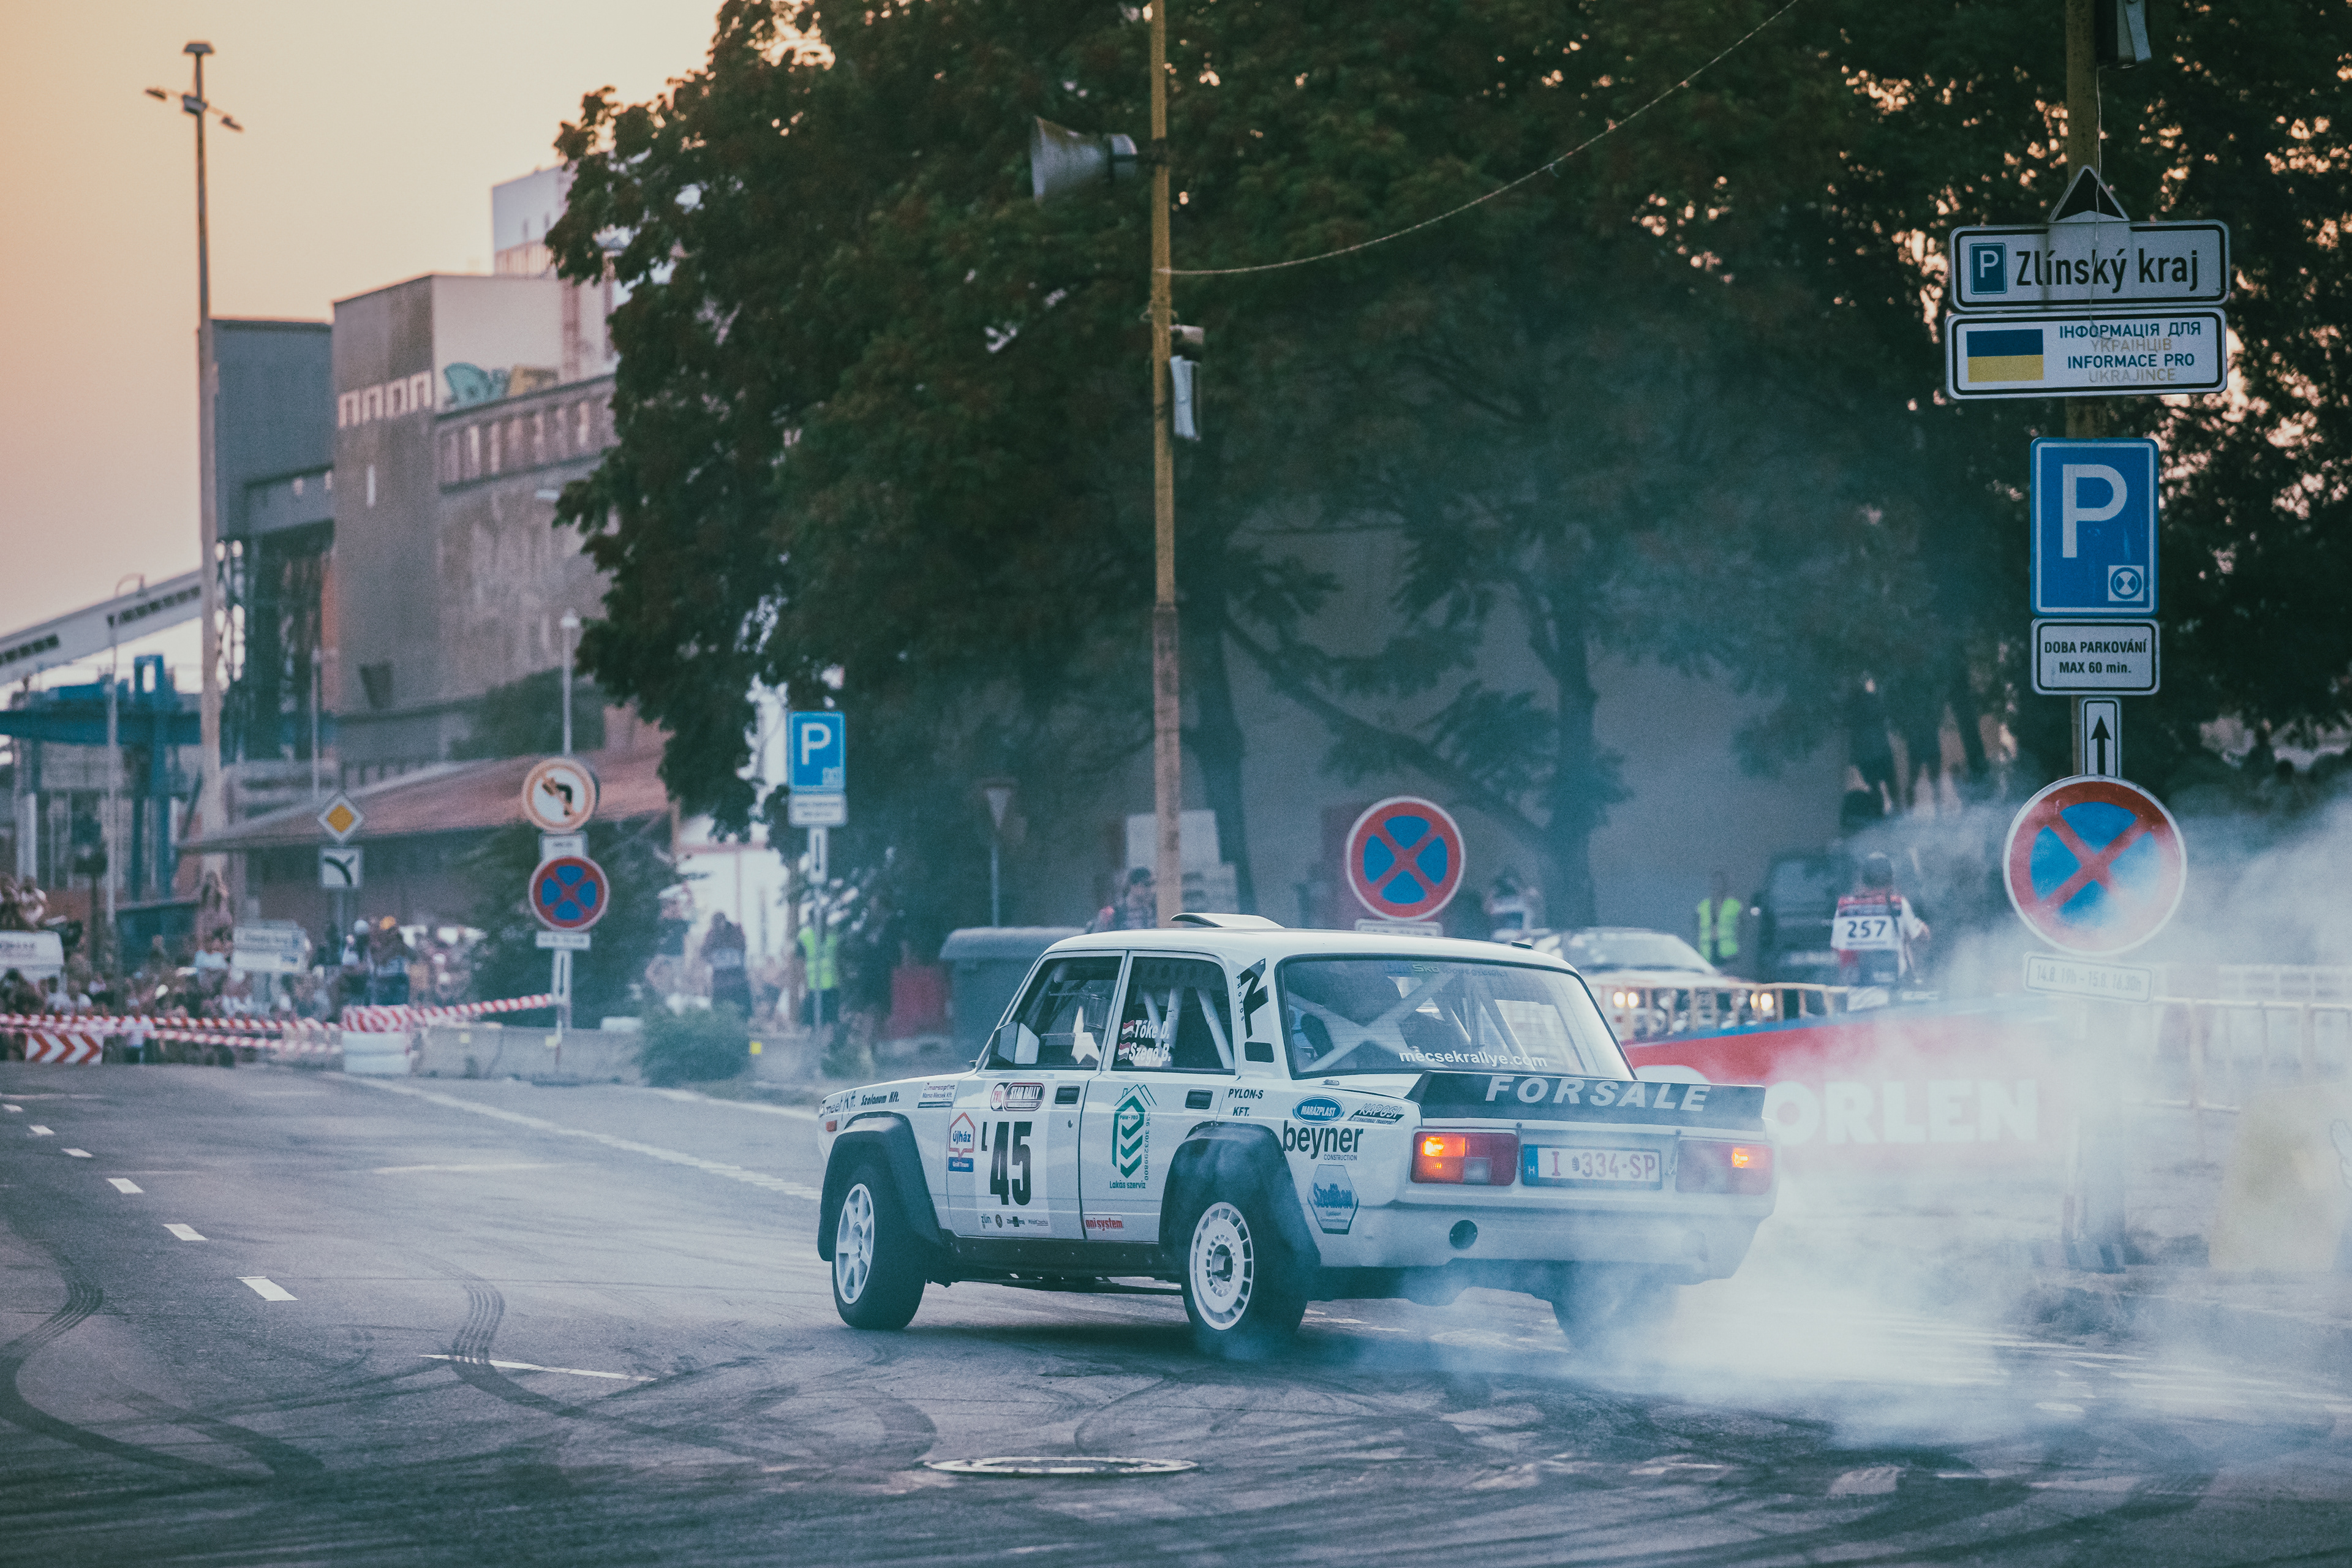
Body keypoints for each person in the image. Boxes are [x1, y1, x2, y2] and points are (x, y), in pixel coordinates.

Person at [1832, 851, 1929, 994]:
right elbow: (1922, 938)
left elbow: (1836, 949)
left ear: (1863, 881)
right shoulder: (1898, 906)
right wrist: (1919, 925)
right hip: (1893, 996)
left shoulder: (1844, 909)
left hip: (1856, 998)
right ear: (1891, 880)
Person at [705, 913, 752, 1016]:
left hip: (736, 976)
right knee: (720, 1008)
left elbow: (743, 947)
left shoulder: (735, 931)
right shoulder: (711, 935)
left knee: (741, 1007)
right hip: (720, 978)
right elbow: (705, 952)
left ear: (724, 922)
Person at [1695, 871, 1744, 969]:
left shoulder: (1734, 905)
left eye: (1719, 883)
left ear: (1725, 885)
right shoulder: (1703, 906)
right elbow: (1696, 928)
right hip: (1707, 954)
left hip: (1728, 955)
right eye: (1714, 883)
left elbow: (1743, 928)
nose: (1717, 886)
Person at [1089, 867, 1156, 933]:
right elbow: (1097, 937)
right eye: (1147, 885)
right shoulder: (1111, 914)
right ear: (1133, 886)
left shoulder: (1153, 913)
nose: (1151, 890)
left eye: (1153, 885)